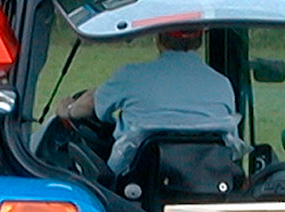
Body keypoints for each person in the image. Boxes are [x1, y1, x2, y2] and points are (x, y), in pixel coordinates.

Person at [56, 29, 243, 174]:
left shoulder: (131, 75)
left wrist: (68, 110)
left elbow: (90, 104)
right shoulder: (222, 84)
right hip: (207, 181)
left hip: (135, 182)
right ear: (200, 39)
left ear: (159, 38)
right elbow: (231, 141)